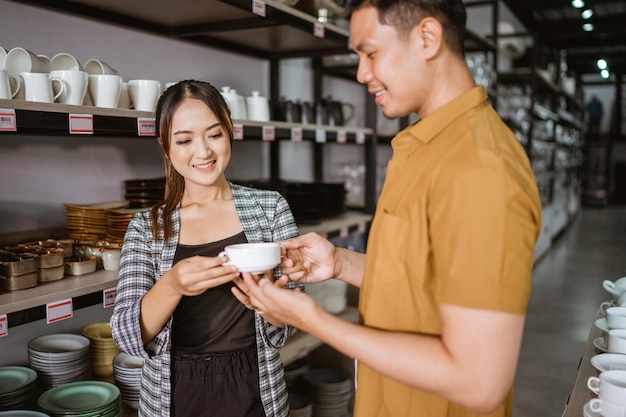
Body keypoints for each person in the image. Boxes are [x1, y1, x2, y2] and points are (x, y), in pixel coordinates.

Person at [241, 1, 542, 416]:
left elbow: (478, 381)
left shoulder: (480, 169)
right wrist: (341, 263)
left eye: (370, 53)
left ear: (427, 38)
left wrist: (314, 320)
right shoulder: (422, 146)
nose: (362, 73)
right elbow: (421, 280)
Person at [110, 80, 300, 417]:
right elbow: (126, 335)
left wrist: (266, 297)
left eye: (214, 134)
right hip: (175, 390)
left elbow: (295, 315)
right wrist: (172, 285)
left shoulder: (270, 208)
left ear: (230, 130)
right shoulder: (147, 226)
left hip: (255, 381)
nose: (203, 152)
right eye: (184, 140)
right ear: (165, 146)